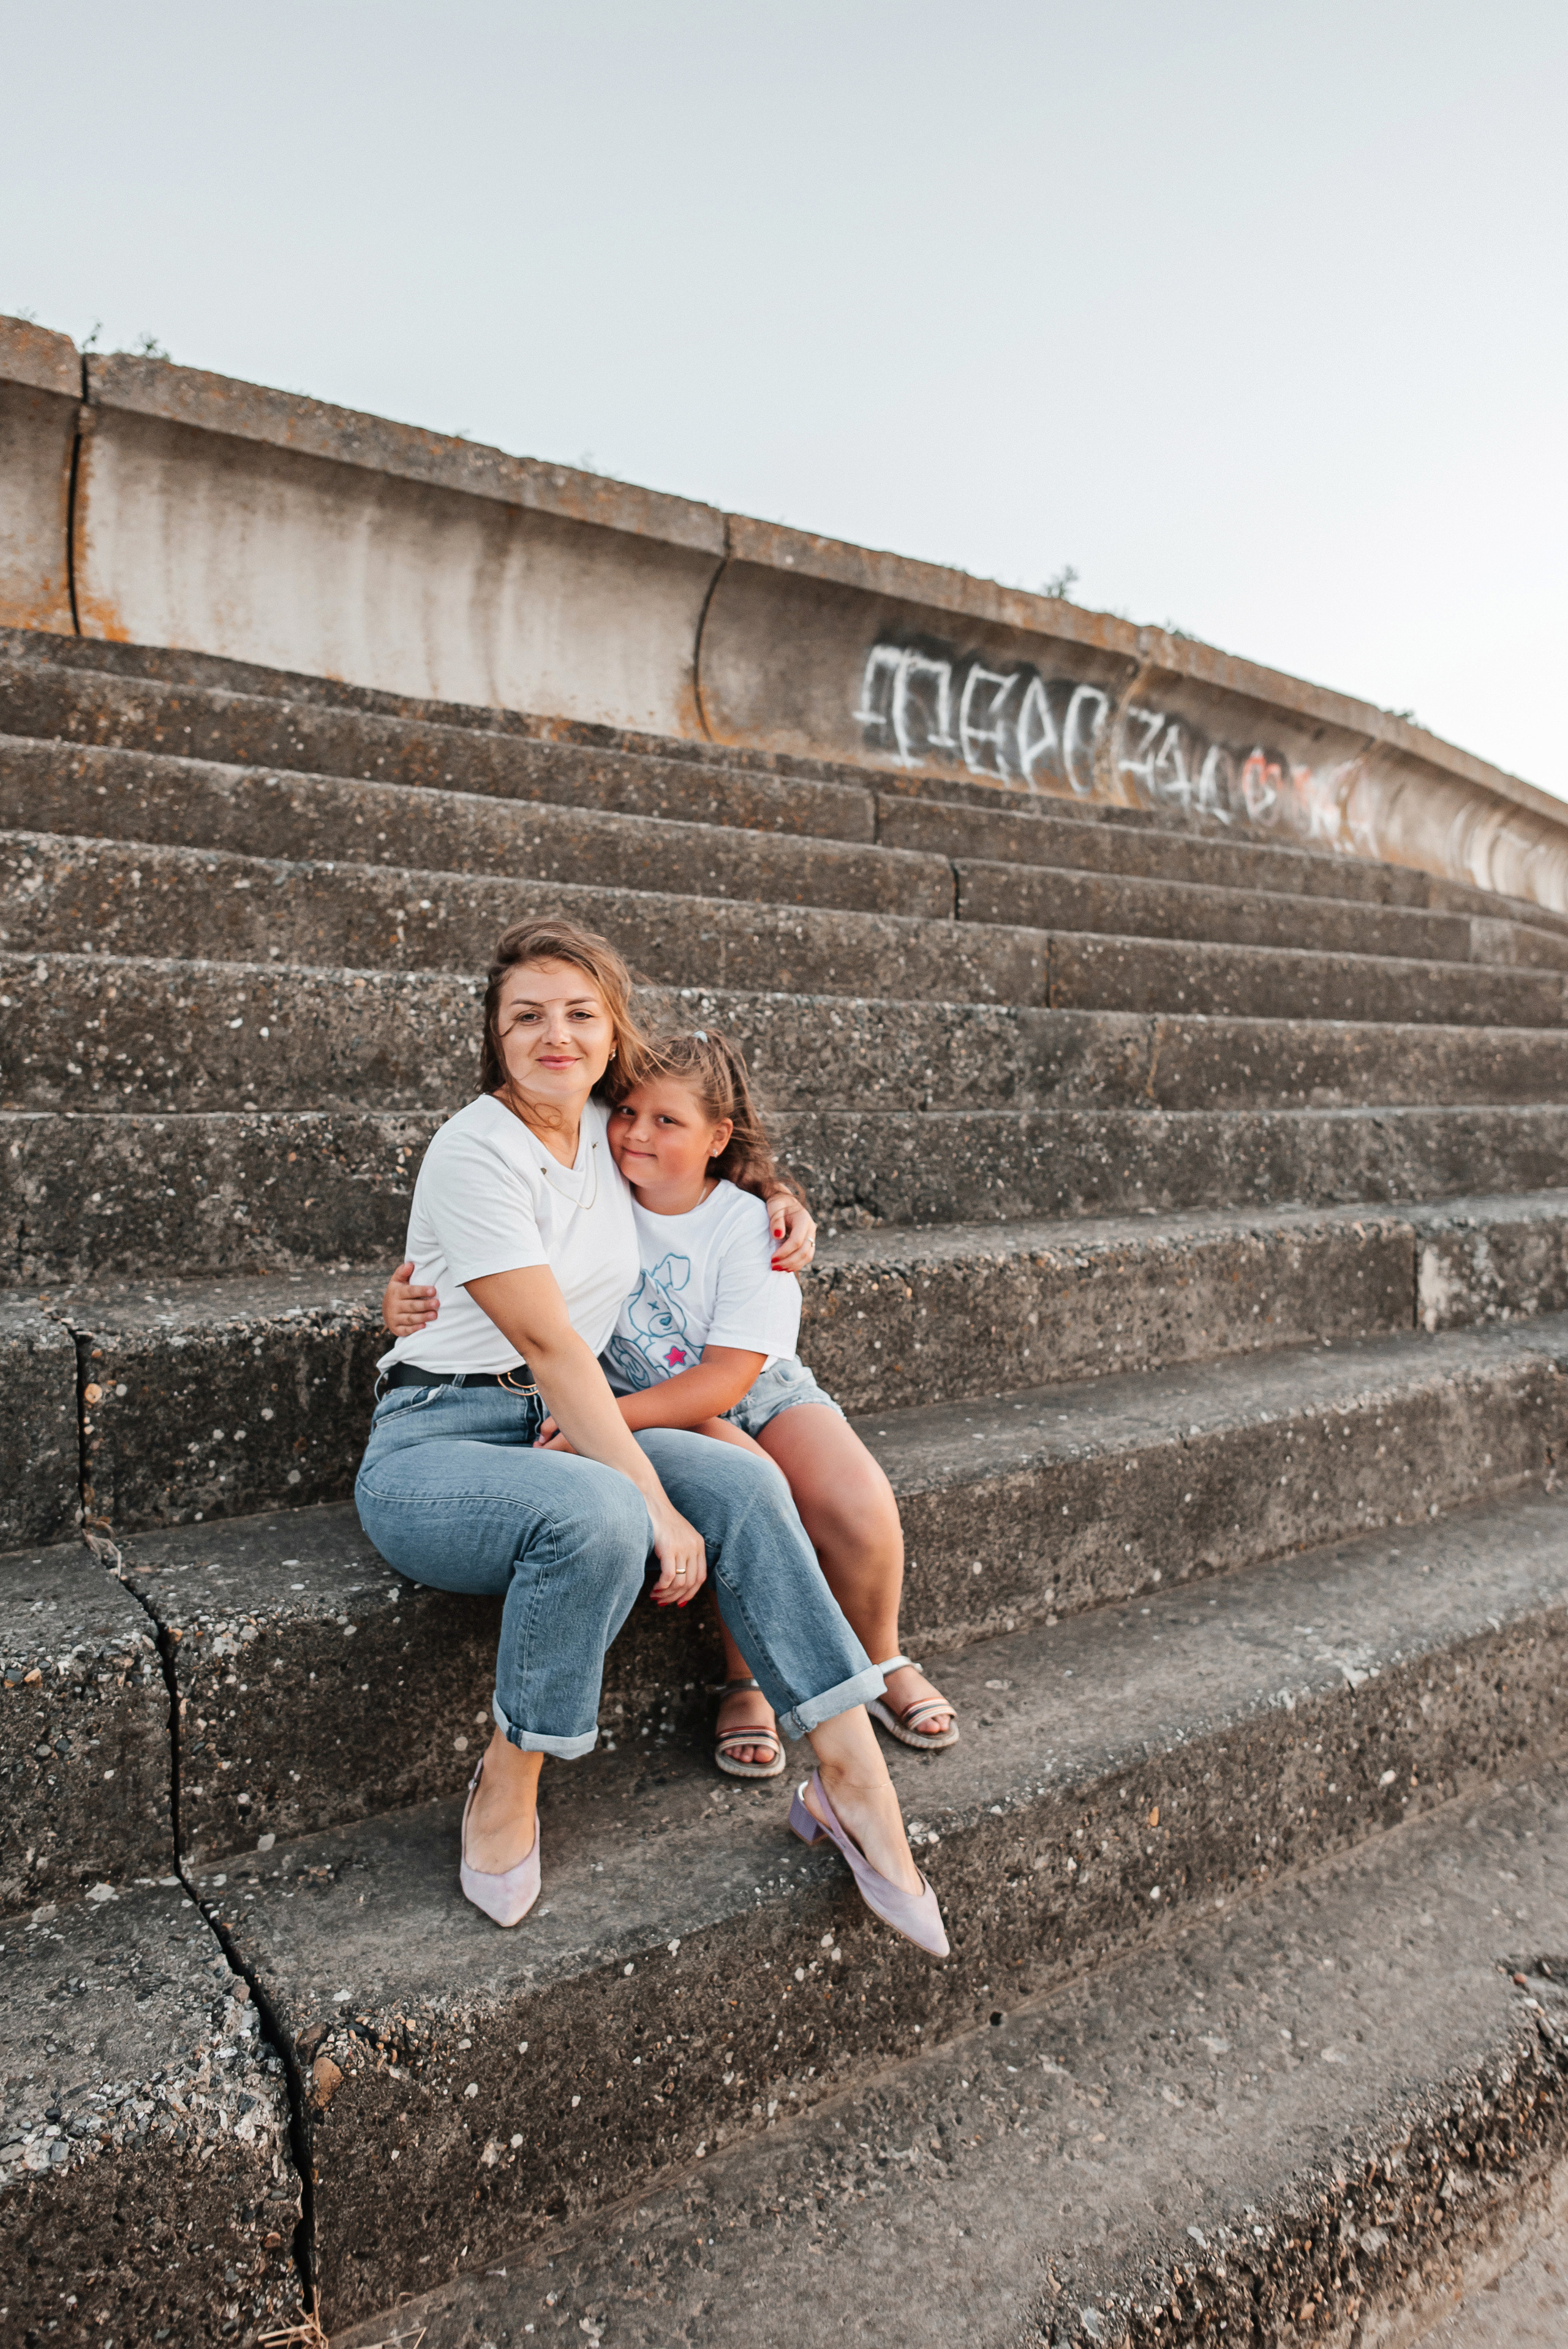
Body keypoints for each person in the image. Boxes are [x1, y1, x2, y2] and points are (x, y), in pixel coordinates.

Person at [355, 914, 946, 1957]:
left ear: (612, 1026)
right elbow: (546, 1341)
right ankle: (511, 1770)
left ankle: (856, 1778)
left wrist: (770, 1191)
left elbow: (689, 1152)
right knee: (601, 1515)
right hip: (439, 1433)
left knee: (748, 1480)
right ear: (493, 1030)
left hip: (558, 1421)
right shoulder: (475, 1148)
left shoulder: (598, 1123)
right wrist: (656, 1502)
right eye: (526, 1014)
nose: (557, 1035)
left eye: (581, 1014)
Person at [384, 1027, 959, 1778]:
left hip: (747, 1383)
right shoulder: (594, 1178)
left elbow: (726, 1380)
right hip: (643, 1391)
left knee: (858, 1502)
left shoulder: (749, 1222)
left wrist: (779, 1197)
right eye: (626, 1113)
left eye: (666, 1122)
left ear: (718, 1137)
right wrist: (405, 1296)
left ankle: (881, 1658)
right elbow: (494, 1238)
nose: (635, 1133)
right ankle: (745, 1680)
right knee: (749, 1484)